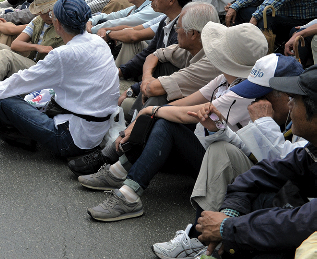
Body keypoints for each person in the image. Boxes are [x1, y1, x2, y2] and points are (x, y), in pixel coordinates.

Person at [81, 22, 269, 222]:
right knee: (162, 115)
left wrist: (149, 111)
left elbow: (187, 115)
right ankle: (119, 171)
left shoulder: (245, 92)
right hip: (205, 147)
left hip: (223, 165)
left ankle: (128, 194)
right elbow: (187, 103)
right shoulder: (225, 78)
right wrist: (150, 114)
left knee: (165, 121)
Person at [152, 54, 305, 259]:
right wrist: (219, 129)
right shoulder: (284, 114)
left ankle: (211, 240)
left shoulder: (305, 118)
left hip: (295, 207)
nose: (256, 102)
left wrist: (263, 123)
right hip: (274, 191)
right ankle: (200, 239)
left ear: (287, 95)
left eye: (263, 96)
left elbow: (290, 167)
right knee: (220, 148)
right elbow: (252, 152)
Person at [71, 2, 221, 177]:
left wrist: (146, 88)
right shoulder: (192, 45)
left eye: (179, 27)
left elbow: (156, 90)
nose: (176, 31)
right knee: (135, 100)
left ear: (193, 33)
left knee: (158, 101)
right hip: (172, 107)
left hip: (201, 137)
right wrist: (146, 79)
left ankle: (116, 157)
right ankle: (127, 137)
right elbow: (153, 55)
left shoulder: (210, 61)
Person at [194, 64, 317, 258]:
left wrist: (228, 227)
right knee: (255, 194)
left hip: (305, 222)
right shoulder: (312, 148)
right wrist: (230, 215)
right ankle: (205, 240)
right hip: (299, 209)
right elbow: (266, 170)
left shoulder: (298, 132)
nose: (290, 104)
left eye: (294, 98)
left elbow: (303, 221)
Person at [0, 0, 119, 157]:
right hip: (97, 129)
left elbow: (23, 80)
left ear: (57, 24)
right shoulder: (98, 42)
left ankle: (22, 135)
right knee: (22, 92)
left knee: (2, 102)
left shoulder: (63, 54)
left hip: (71, 139)